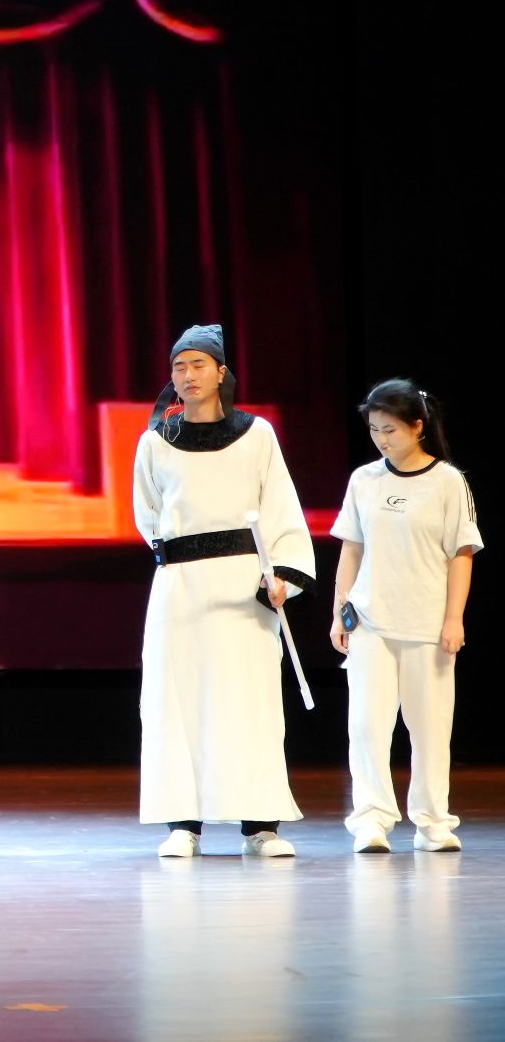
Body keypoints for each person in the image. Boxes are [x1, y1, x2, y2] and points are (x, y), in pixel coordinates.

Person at [134, 323, 315, 858]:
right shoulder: (156, 441)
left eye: (198, 365)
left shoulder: (257, 435)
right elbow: (148, 512)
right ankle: (182, 824)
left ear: (221, 373)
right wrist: (179, 554)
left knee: (249, 701)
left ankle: (260, 826)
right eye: (179, 367)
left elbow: (281, 506)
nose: (188, 375)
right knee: (178, 700)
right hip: (181, 588)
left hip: (243, 586)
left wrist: (282, 575)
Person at [329, 379, 481, 853]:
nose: (381, 439)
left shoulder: (448, 481)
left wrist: (454, 618)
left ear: (417, 426)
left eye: (390, 429)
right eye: (374, 430)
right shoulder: (364, 480)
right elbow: (351, 549)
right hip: (370, 621)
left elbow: (461, 553)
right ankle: (371, 820)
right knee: (367, 726)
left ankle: (433, 823)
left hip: (426, 624)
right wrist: (339, 611)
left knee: (430, 728)